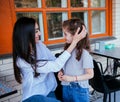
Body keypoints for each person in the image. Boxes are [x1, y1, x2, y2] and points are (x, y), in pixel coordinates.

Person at [12, 17, 86, 102]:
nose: (39, 33)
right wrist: (74, 42)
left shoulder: (39, 45)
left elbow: (54, 60)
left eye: (38, 30)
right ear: (26, 34)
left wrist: (60, 70)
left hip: (49, 90)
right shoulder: (22, 61)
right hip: (34, 96)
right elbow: (55, 66)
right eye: (36, 31)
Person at [57, 18, 94, 102]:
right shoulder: (67, 50)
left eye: (65, 34)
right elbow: (64, 66)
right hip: (66, 86)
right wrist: (61, 72)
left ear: (75, 35)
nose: (64, 37)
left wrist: (72, 78)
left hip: (79, 89)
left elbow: (90, 74)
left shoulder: (84, 53)